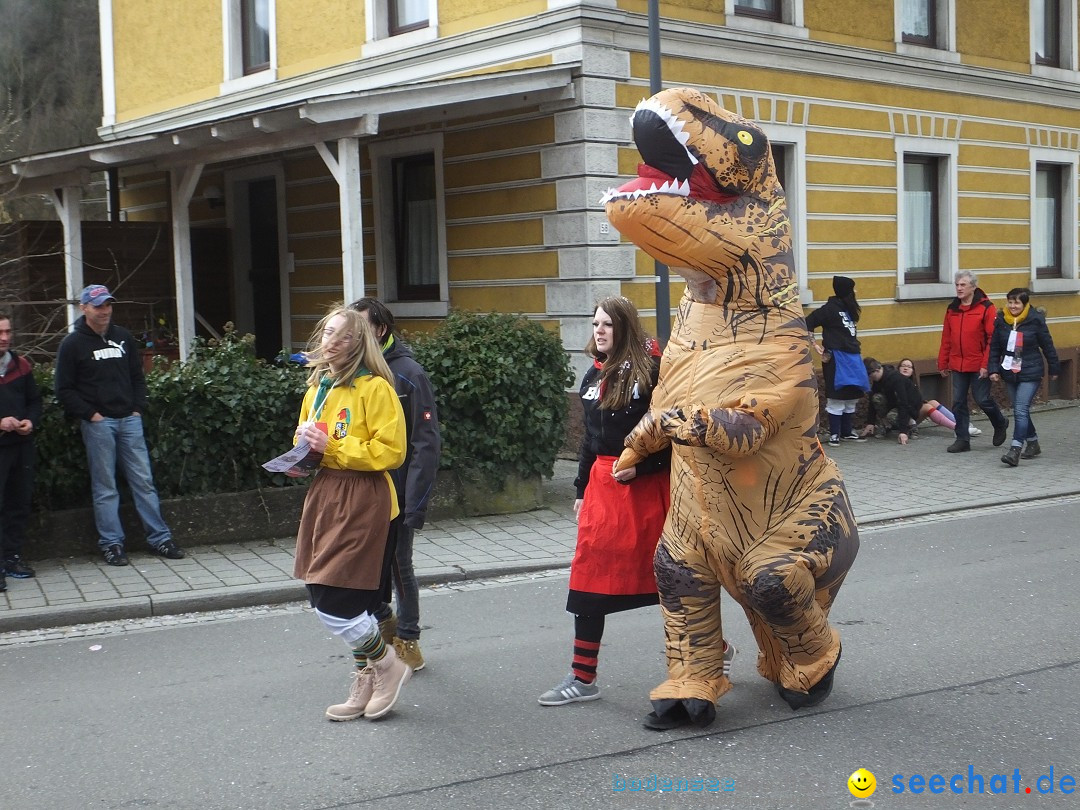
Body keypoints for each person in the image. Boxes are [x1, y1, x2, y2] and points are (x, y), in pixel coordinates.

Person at [538, 297, 730, 707]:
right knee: (587, 583)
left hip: (646, 492)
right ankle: (582, 678)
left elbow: (673, 435)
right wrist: (579, 490)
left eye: (607, 324)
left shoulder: (652, 373)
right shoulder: (594, 374)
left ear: (624, 327)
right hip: (602, 493)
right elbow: (589, 439)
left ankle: (712, 650)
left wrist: (641, 469)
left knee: (672, 583)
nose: (599, 331)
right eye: (595, 324)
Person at [289, 305, 410, 722]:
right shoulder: (318, 387)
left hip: (365, 500)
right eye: (327, 332)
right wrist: (301, 445)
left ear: (358, 343)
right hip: (327, 493)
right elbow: (310, 436)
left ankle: (388, 666)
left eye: (340, 335)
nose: (329, 341)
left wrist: (333, 449)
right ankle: (371, 673)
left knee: (339, 599)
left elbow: (391, 452)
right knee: (318, 589)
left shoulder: (375, 388)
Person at [54, 285, 185, 566]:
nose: (105, 311)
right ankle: (112, 544)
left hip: (129, 421)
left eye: (108, 305)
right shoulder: (73, 344)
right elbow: (63, 389)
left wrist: (137, 409)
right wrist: (91, 415)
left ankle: (160, 539)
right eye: (99, 305)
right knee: (105, 487)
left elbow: (137, 377)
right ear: (84, 308)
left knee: (144, 482)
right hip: (99, 424)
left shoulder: (123, 337)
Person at [349, 297, 441, 673]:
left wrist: (414, 501)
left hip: (398, 493)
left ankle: (408, 638)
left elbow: (426, 442)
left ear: (380, 330)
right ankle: (383, 621)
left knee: (400, 567)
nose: (353, 335)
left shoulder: (408, 374)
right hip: (363, 493)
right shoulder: (354, 371)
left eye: (360, 327)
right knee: (367, 567)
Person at [937, 270, 1009, 453]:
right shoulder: (952, 308)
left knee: (982, 399)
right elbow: (947, 337)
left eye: (963, 285)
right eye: (957, 285)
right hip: (958, 363)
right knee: (958, 402)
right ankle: (962, 439)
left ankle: (1000, 423)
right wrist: (943, 362)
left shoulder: (986, 307)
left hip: (978, 363)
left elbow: (992, 339)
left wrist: (987, 364)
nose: (959, 288)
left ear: (973, 287)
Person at [988, 288, 1060, 467]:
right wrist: (993, 369)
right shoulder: (1001, 321)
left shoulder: (1035, 320)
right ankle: (1033, 442)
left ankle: (1015, 449)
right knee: (1021, 410)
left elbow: (1048, 345)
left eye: (1017, 303)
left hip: (1031, 371)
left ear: (1024, 304)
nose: (1012, 306)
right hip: (1010, 373)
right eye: (1010, 302)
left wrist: (1054, 368)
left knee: (1020, 409)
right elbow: (995, 347)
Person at [0, 314, 42, 589]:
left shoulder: (21, 364)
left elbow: (35, 400)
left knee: (18, 503)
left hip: (21, 446)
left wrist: (30, 421)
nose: (4, 337)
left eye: (7, 331)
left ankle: (11, 558)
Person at [805, 275, 870, 447]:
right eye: (852, 289)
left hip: (853, 357)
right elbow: (808, 322)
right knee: (837, 396)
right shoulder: (829, 309)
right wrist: (816, 345)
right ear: (846, 291)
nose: (855, 292)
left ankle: (847, 431)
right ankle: (835, 434)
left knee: (852, 395)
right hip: (836, 359)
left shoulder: (849, 308)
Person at [861, 358, 955, 445]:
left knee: (931, 404)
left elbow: (903, 403)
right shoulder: (879, 380)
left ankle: (959, 425)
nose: (869, 378)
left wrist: (903, 431)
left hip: (910, 410)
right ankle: (960, 426)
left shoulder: (896, 379)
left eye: (869, 375)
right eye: (903, 366)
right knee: (877, 397)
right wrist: (871, 422)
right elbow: (872, 400)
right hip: (898, 408)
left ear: (877, 370)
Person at [895, 359, 980, 437]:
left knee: (933, 402)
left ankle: (962, 424)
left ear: (912, 371)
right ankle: (959, 429)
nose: (905, 368)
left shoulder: (911, 384)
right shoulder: (896, 383)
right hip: (901, 418)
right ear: (898, 368)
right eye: (903, 366)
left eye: (909, 367)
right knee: (927, 407)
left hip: (911, 414)